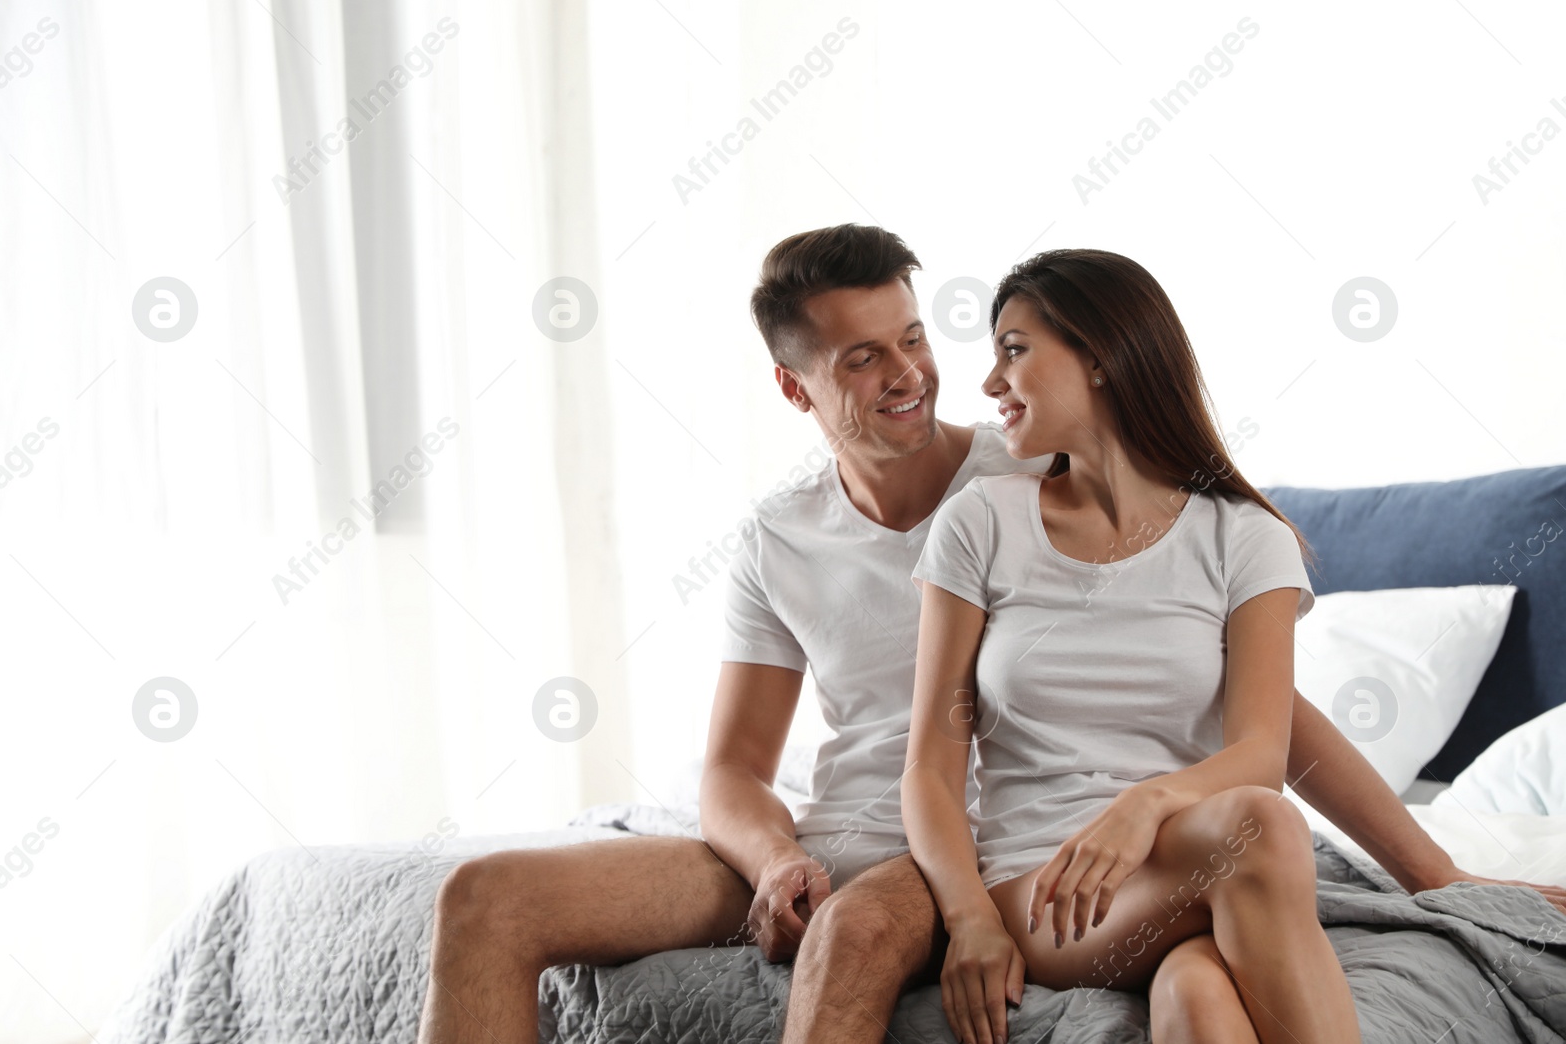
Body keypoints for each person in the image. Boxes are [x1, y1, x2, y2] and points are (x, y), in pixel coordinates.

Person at [417, 225, 1564, 1044]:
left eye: (911, 336)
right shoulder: (784, 536)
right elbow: (731, 765)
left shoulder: (1029, 466)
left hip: (971, 848)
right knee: (482, 896)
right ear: (792, 387)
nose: (912, 371)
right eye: (861, 356)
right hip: (849, 833)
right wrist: (775, 860)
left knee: (871, 929)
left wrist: (1433, 874)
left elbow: (1256, 709)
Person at [904, 247, 1359, 1044]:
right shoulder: (980, 521)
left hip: (1191, 863)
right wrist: (971, 918)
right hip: (1045, 886)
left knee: (1198, 997)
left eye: (1014, 349)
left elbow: (1261, 749)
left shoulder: (1245, 537)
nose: (989, 383)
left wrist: (1144, 804)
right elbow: (930, 771)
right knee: (1261, 826)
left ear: (1102, 355)